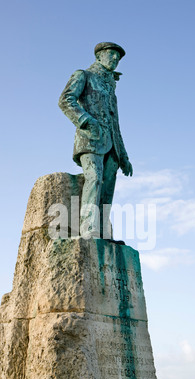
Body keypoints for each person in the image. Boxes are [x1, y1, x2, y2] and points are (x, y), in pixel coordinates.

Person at [58, 42, 133, 240]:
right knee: (94, 178)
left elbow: (116, 124)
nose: (115, 59)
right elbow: (65, 100)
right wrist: (86, 121)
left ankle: (103, 231)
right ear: (99, 56)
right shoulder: (83, 75)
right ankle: (88, 227)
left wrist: (124, 156)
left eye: (118, 57)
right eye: (111, 55)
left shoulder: (110, 89)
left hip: (112, 146)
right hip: (90, 140)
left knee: (108, 187)